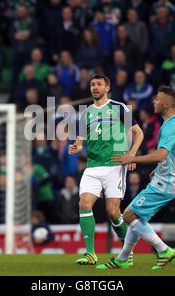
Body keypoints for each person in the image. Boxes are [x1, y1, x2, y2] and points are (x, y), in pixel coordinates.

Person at [96, 85, 175, 270]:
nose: (154, 101)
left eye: (158, 99)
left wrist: (132, 158)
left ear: (167, 103)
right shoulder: (174, 123)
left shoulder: (171, 125)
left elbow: (162, 154)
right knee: (136, 219)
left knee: (128, 215)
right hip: (165, 178)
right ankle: (122, 259)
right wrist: (162, 166)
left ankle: (163, 250)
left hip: (166, 182)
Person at [68, 74, 144, 265]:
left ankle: (127, 252)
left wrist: (132, 154)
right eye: (92, 84)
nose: (95, 87)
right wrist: (76, 147)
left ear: (107, 88)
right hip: (92, 167)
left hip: (114, 166)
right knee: (84, 203)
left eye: (99, 84)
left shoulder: (118, 107)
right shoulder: (86, 113)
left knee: (113, 212)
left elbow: (138, 133)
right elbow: (80, 141)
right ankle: (91, 253)